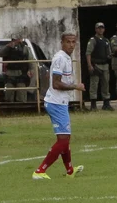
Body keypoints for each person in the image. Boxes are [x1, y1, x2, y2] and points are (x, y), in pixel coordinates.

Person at [33, 32, 85, 180]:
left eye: (73, 42)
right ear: (62, 43)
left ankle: (69, 171)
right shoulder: (60, 58)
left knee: (65, 139)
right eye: (68, 42)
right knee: (63, 140)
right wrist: (76, 86)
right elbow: (56, 84)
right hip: (55, 102)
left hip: (60, 102)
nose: (71, 45)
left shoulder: (66, 58)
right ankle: (39, 171)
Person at [85, 22, 114, 112]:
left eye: (102, 28)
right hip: (96, 65)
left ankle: (106, 103)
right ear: (96, 29)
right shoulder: (93, 40)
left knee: (106, 85)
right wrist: (89, 65)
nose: (101, 29)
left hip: (105, 65)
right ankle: (93, 105)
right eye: (99, 28)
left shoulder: (106, 40)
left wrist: (111, 56)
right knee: (94, 85)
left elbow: (109, 53)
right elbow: (88, 53)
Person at [0, 37, 31, 104]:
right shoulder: (8, 47)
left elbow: (31, 60)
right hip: (10, 73)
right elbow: (0, 53)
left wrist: (31, 70)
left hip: (22, 73)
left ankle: (21, 108)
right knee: (9, 93)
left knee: (21, 93)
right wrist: (8, 46)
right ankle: (9, 107)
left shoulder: (25, 48)